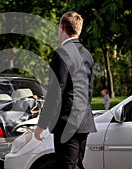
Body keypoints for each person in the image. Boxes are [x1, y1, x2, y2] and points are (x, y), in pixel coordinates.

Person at [34, 11, 97, 169]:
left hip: (67, 122)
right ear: (79, 30)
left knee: (67, 165)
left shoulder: (62, 54)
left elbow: (56, 92)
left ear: (61, 27)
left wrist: (41, 124)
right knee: (76, 164)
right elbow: (89, 90)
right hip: (84, 122)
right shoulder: (87, 55)